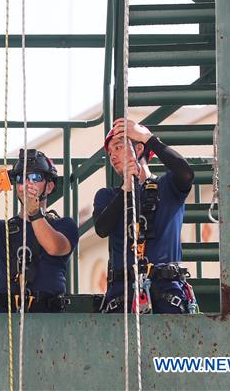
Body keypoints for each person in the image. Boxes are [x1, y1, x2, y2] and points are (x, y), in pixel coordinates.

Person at [92, 117, 197, 314]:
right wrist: (126, 191)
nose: (112, 156)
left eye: (118, 147)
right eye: (110, 152)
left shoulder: (167, 188)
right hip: (123, 296)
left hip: (167, 294)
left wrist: (147, 138)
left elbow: (186, 174)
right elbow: (101, 228)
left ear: (139, 149)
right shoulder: (108, 196)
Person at [0, 148, 79, 313]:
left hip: (49, 317)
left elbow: (54, 247)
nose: (27, 183)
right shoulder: (2, 228)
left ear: (49, 187)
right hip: (4, 316)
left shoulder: (64, 225)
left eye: (35, 178)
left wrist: (34, 213)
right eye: (21, 178)